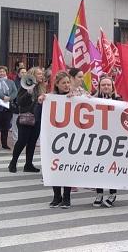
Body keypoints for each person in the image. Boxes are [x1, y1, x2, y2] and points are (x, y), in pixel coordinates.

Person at [9, 67, 44, 173]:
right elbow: (19, 101)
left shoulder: (41, 87)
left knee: (32, 142)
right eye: (39, 74)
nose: (41, 75)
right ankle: (13, 163)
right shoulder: (26, 86)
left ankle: (28, 164)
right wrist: (28, 94)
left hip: (37, 119)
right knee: (22, 141)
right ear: (33, 75)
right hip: (26, 118)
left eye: (42, 74)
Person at [94, 75, 121, 207]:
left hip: (114, 140)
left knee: (112, 167)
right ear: (99, 87)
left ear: (112, 87)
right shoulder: (93, 100)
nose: (106, 87)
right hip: (98, 139)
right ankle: (99, 193)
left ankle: (112, 193)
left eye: (108, 85)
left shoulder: (119, 100)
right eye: (103, 85)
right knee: (99, 166)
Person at [48, 72, 74, 208]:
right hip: (54, 138)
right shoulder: (50, 98)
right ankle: (56, 196)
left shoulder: (75, 97)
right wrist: (42, 100)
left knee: (67, 168)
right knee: (54, 167)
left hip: (70, 139)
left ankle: (67, 197)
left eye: (68, 82)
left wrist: (75, 98)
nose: (66, 85)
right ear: (57, 84)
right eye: (63, 83)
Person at [0, 66, 17, 150]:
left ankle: (4, 144)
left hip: (7, 108)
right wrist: (3, 97)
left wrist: (10, 98)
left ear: (6, 72)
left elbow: (15, 92)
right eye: (0, 71)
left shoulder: (11, 82)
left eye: (4, 71)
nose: (2, 73)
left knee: (5, 127)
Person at [11, 66, 28, 142]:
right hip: (16, 107)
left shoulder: (28, 82)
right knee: (15, 125)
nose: (24, 74)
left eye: (25, 72)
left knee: (24, 125)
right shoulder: (14, 83)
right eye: (22, 72)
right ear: (18, 74)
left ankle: (23, 140)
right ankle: (15, 140)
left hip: (25, 108)